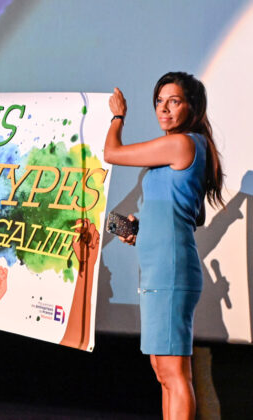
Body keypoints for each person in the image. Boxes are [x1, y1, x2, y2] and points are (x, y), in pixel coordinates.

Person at [104, 72, 224, 420]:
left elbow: (112, 152)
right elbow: (188, 214)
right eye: (159, 101)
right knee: (163, 372)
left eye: (174, 101)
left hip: (171, 271)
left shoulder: (183, 143)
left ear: (192, 107)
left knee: (174, 373)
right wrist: (140, 229)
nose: (164, 109)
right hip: (160, 268)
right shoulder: (184, 148)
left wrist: (117, 116)